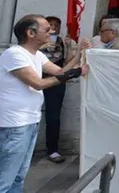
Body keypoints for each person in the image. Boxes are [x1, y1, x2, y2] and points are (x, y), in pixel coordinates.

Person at [0, 15, 90, 192]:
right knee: (5, 178)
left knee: (19, 176)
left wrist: (79, 54)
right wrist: (77, 72)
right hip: (14, 125)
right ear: (30, 33)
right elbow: (38, 83)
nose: (52, 32)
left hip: (30, 122)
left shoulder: (38, 55)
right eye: (47, 29)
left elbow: (60, 71)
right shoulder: (14, 54)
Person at [40, 16, 75, 164]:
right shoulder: (37, 42)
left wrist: (70, 48)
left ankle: (52, 150)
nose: (53, 28)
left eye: (56, 26)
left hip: (56, 83)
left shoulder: (63, 42)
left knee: (53, 117)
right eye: (50, 25)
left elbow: (68, 63)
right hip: (37, 79)